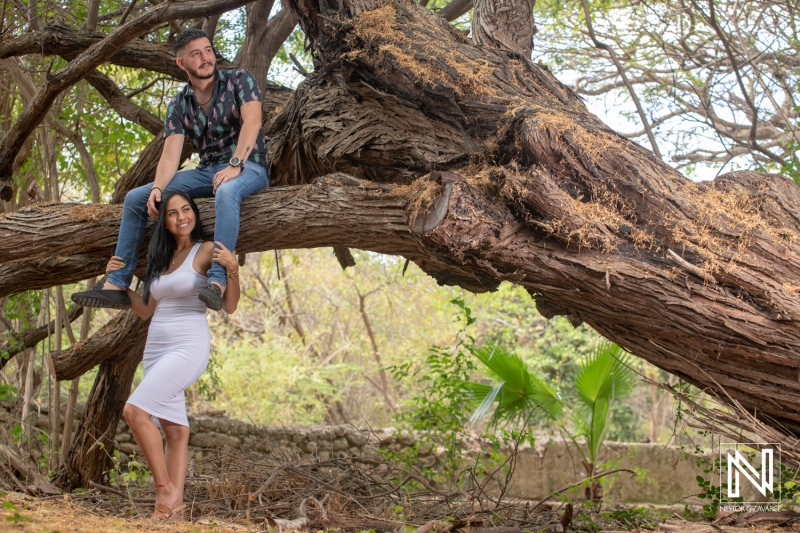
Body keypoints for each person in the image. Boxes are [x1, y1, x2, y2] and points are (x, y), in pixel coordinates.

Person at [72, 27, 267, 311]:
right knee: (136, 198)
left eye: (208, 51)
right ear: (181, 63)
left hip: (249, 164)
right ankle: (117, 282)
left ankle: (217, 281)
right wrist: (157, 188)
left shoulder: (239, 80)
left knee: (226, 191)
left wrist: (235, 164)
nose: (205, 58)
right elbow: (169, 155)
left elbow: (253, 122)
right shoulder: (179, 103)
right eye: (196, 54)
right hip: (207, 170)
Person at [111, 190, 239, 522]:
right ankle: (170, 513)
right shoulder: (161, 260)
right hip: (155, 348)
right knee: (175, 431)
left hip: (188, 345)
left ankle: (165, 489)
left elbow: (229, 305)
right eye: (172, 213)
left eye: (186, 210)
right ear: (165, 222)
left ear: (194, 214)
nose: (181, 216)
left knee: (135, 412)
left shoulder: (207, 250)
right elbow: (145, 311)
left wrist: (234, 271)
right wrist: (120, 283)